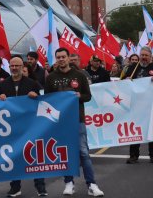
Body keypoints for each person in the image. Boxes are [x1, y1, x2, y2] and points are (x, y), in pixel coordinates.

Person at [45, 48, 104, 197]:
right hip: (60, 121)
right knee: (65, 153)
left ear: (68, 58)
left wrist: (79, 96)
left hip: (78, 119)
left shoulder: (80, 75)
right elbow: (47, 100)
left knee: (83, 152)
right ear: (56, 59)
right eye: (58, 57)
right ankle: (69, 183)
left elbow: (88, 96)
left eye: (63, 57)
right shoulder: (51, 77)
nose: (61, 59)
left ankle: (92, 184)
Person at [0, 56, 46, 197]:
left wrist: (35, 95)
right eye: (12, 66)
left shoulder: (32, 83)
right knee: (14, 157)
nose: (14, 68)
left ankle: (40, 187)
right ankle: (15, 187)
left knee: (35, 156)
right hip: (12, 126)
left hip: (30, 126)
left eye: (17, 65)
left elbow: (40, 101)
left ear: (22, 66)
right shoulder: (3, 85)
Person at [120, 46, 153, 163]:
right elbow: (122, 83)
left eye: (146, 55)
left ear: (150, 57)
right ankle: (134, 155)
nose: (144, 57)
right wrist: (126, 80)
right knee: (135, 130)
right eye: (142, 55)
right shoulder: (133, 68)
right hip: (136, 106)